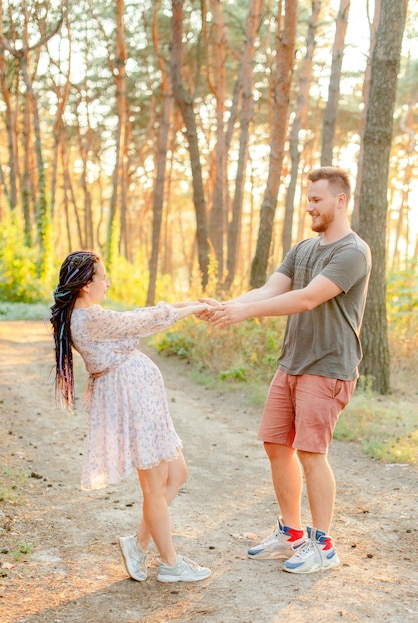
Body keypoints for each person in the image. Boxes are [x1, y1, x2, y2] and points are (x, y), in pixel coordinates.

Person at [202, 166, 371, 574]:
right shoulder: (302, 249)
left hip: (327, 367)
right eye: (308, 199)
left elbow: (307, 298)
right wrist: (228, 307)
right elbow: (270, 290)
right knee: (276, 445)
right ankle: (291, 534)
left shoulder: (352, 252)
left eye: (316, 199)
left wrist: (244, 312)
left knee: (313, 454)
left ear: (340, 200)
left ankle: (323, 545)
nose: (309, 206)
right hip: (291, 362)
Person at [50, 251, 211, 583]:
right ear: (84, 285)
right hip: (133, 403)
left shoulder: (86, 316)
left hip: (144, 403)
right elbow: (141, 320)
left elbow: (140, 316)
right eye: (103, 277)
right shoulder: (88, 318)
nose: (107, 282)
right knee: (154, 487)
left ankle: (138, 544)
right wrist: (193, 309)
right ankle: (169, 562)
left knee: (177, 473)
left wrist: (189, 303)